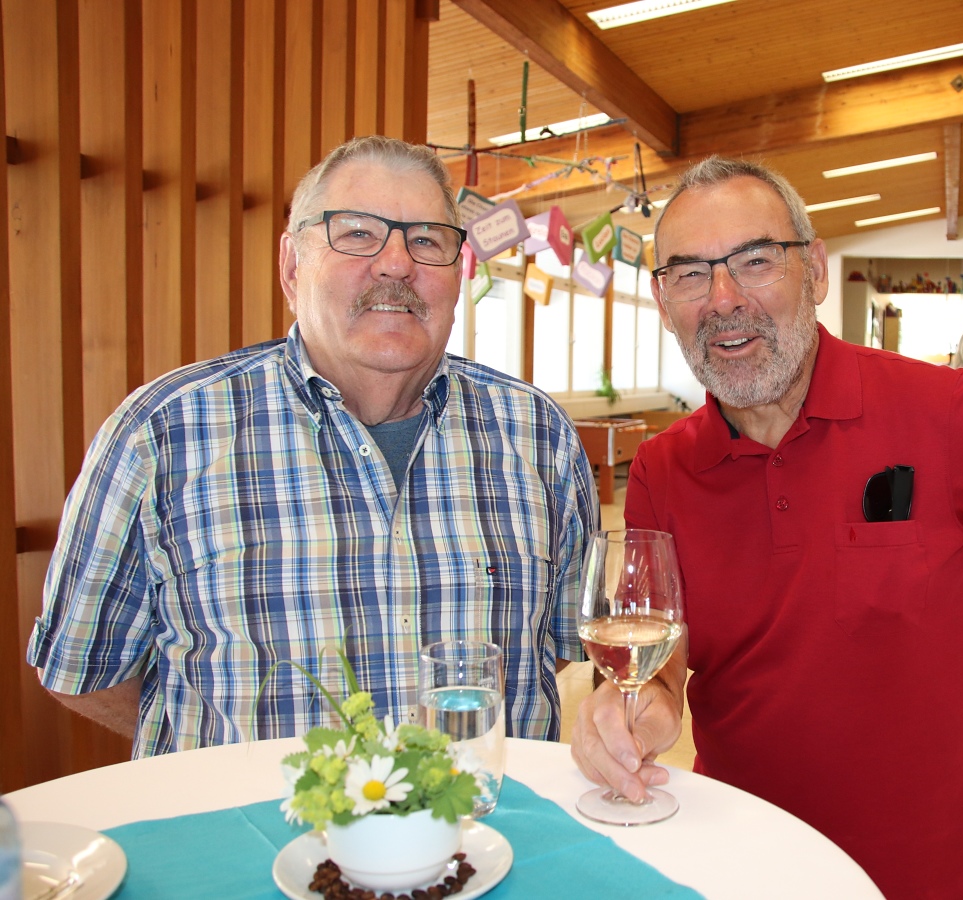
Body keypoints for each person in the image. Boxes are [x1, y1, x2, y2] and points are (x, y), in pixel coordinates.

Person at [569, 156, 963, 899]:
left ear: (815, 271)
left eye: (756, 260)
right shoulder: (664, 467)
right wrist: (640, 705)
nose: (724, 298)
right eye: (689, 274)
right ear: (662, 299)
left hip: (919, 870)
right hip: (741, 855)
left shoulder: (945, 413)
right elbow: (664, 656)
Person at [28, 135, 599, 758]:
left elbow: (562, 646)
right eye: (356, 233)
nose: (396, 264)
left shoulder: (538, 436)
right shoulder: (161, 435)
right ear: (292, 266)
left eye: (427, 240)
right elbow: (84, 670)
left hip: (487, 820)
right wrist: (214, 763)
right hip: (252, 823)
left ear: (457, 274)